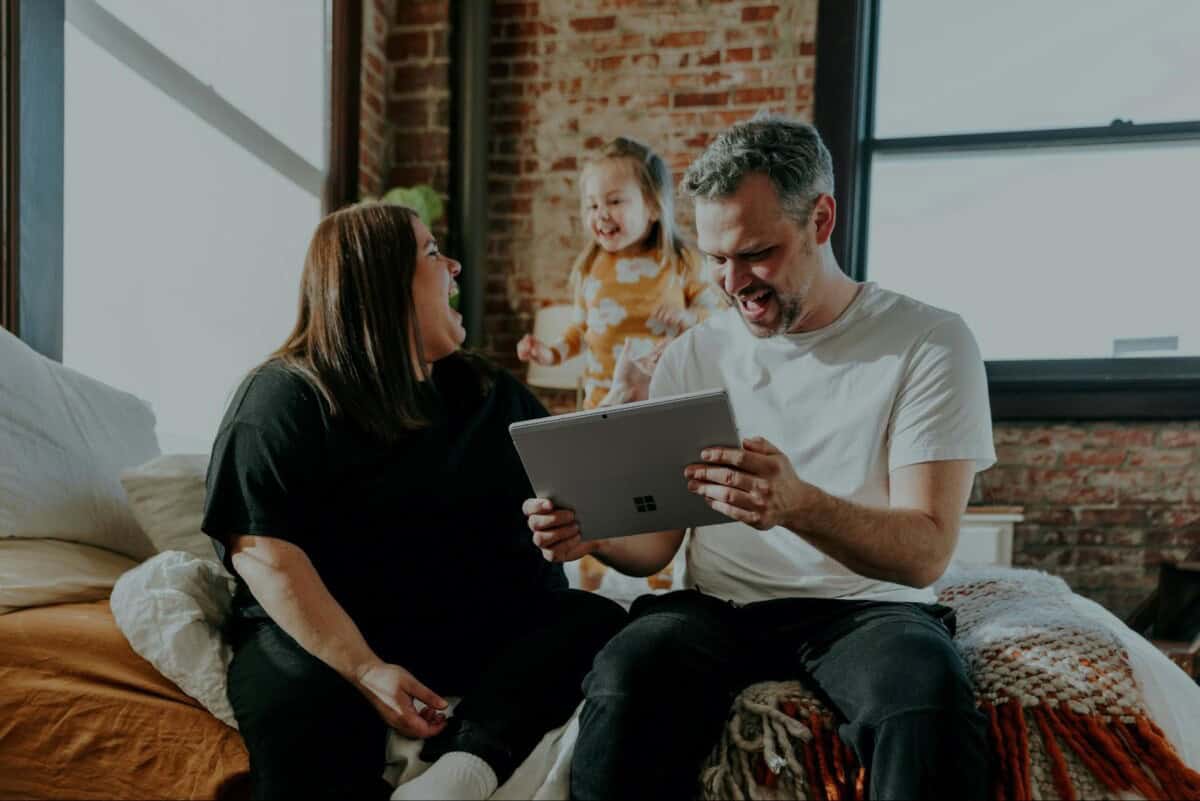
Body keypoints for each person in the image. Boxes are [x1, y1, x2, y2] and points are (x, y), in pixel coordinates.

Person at [525, 116, 997, 800]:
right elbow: (657, 545)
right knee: (628, 673)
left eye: (756, 253)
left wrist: (799, 505)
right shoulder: (696, 354)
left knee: (924, 698)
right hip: (720, 607)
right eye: (715, 258)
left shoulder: (928, 342)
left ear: (822, 219)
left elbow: (924, 551)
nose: (732, 280)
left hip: (868, 608)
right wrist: (591, 529)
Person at [201, 203, 626, 801]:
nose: (453, 265)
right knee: (300, 698)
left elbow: (585, 492)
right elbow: (262, 550)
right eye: (431, 253)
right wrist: (366, 669)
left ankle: (462, 770)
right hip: (337, 636)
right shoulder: (284, 395)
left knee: (595, 621)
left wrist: (620, 421)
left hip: (471, 634)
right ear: (379, 283)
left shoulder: (488, 393)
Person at [516, 136, 723, 408]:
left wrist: (688, 318)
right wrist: (550, 354)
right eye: (592, 205)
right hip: (602, 407)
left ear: (652, 206)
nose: (601, 214)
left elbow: (718, 322)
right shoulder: (589, 267)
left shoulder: (683, 263)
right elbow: (580, 331)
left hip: (664, 403)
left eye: (614, 202)